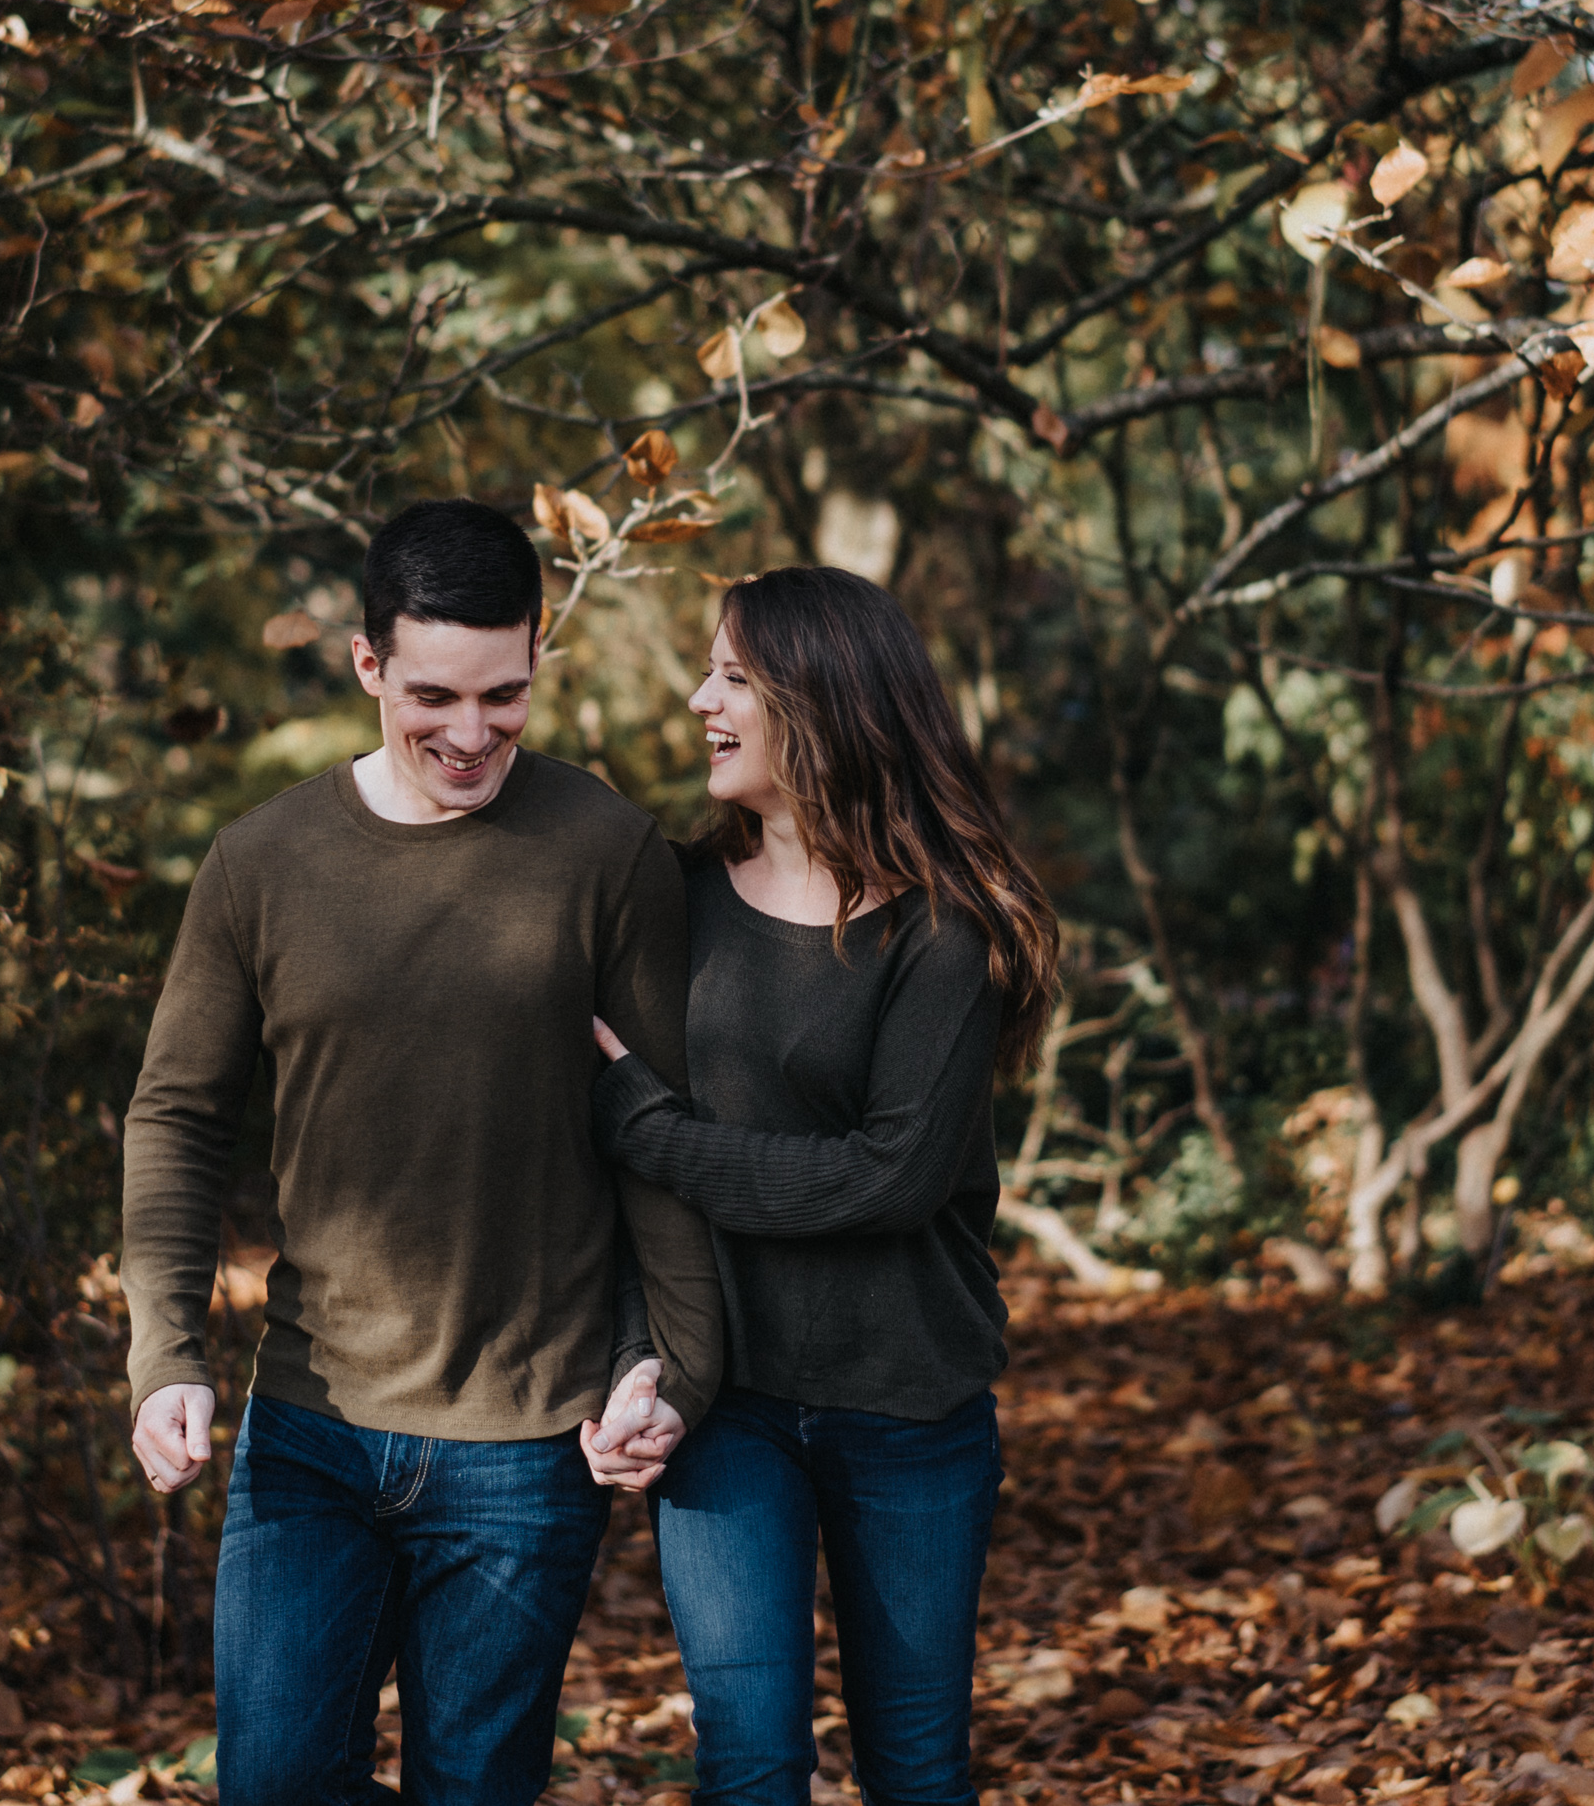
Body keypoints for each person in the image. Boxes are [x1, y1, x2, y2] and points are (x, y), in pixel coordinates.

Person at [121, 497, 724, 1806]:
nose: (470, 732)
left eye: (503, 694)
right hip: (311, 1424)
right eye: (433, 696)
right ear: (368, 663)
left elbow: (662, 1138)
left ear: (537, 653)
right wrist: (164, 1349)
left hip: (528, 1438)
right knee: (275, 1785)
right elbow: (176, 1115)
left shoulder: (607, 854)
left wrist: (664, 1358)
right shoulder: (260, 863)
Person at [588, 566, 1061, 1806]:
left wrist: (653, 1131)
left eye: (732, 677)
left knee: (914, 1769)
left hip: (908, 1407)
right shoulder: (674, 898)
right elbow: (632, 1194)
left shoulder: (943, 932)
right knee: (748, 1765)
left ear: (824, 702)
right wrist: (640, 1358)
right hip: (726, 1401)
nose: (700, 700)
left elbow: (885, 1177)